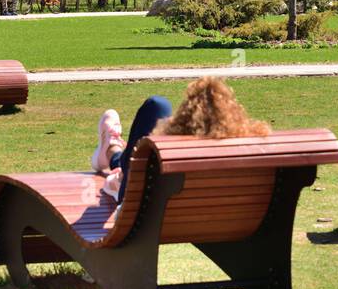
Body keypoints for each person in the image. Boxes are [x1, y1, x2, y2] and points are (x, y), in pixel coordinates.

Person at [103, 77, 271, 203]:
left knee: (157, 106)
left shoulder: (171, 151)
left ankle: (113, 150)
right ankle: (114, 154)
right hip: (232, 224)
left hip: (149, 220)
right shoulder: (249, 150)